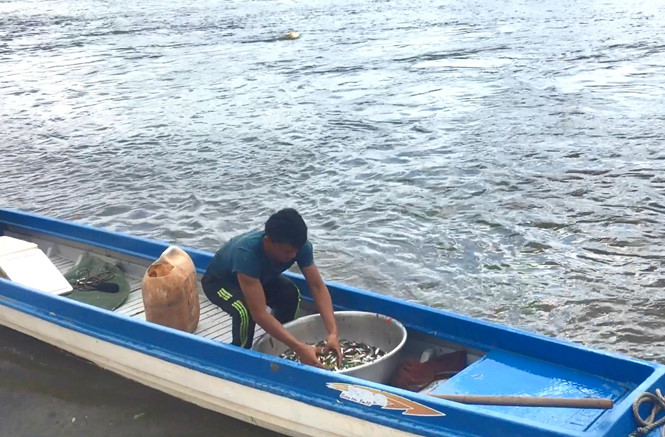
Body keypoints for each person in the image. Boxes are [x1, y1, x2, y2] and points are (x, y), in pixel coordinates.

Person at [201, 208, 341, 367]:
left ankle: (281, 345)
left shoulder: (298, 247)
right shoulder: (246, 253)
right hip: (220, 283)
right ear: (268, 242)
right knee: (244, 312)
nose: (293, 256)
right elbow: (259, 313)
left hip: (258, 278)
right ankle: (238, 359)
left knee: (291, 294)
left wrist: (333, 332)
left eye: (297, 251)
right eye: (287, 251)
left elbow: (317, 286)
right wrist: (299, 347)